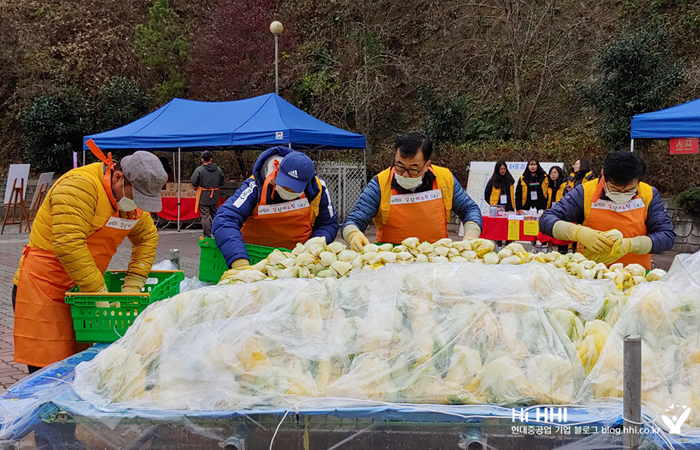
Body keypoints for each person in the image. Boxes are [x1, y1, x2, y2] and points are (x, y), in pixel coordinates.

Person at [13, 141, 165, 373]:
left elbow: (147, 238)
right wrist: (99, 295)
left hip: (83, 291)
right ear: (119, 178)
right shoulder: (79, 187)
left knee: (78, 367)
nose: (138, 206)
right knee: (48, 372)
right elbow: (69, 245)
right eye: (137, 197)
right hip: (45, 288)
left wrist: (133, 285)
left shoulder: (130, 204)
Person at [342, 132, 482, 250]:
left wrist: (470, 237)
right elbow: (354, 219)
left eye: (414, 169)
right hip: (390, 262)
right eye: (399, 166)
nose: (405, 174)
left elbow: (469, 209)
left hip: (436, 260)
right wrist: (353, 234)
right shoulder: (380, 184)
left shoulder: (444, 179)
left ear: (427, 165)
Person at [540, 151, 675, 269]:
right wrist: (577, 232)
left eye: (629, 190)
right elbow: (546, 220)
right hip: (589, 274)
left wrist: (632, 244)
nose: (622, 194)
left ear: (639, 180)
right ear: (603, 175)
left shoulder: (648, 194)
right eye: (615, 189)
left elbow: (667, 236)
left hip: (635, 277)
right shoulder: (585, 192)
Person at [213, 147, 338, 269]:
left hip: (297, 263)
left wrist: (314, 245)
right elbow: (224, 219)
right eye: (285, 185)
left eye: (294, 188)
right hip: (254, 259)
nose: (288, 191)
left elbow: (328, 223)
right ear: (277, 171)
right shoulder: (254, 187)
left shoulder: (317, 189)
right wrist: (239, 260)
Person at [191, 150, 225, 238]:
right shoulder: (218, 170)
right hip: (215, 195)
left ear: (202, 159)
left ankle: (207, 234)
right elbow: (222, 182)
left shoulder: (199, 170)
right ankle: (219, 232)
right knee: (215, 214)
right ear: (211, 159)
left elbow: (194, 182)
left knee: (205, 216)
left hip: (203, 195)